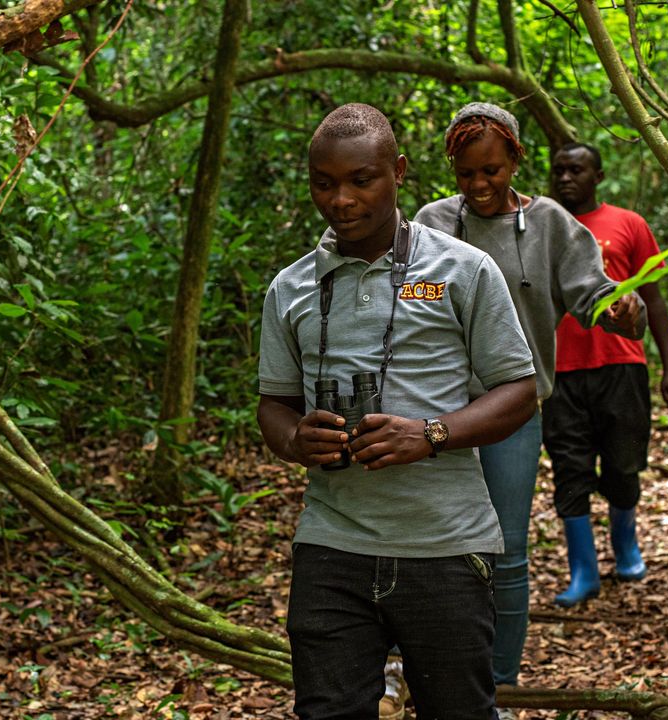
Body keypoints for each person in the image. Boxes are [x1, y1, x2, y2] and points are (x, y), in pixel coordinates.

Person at [258, 102, 537, 719]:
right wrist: (295, 438)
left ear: (399, 172)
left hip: (445, 545)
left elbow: (519, 390)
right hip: (331, 545)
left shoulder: (462, 270)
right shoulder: (291, 287)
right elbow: (273, 405)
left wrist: (431, 434)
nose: (342, 200)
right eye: (324, 184)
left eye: (362, 179)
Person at [410, 103, 646, 695]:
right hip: (431, 410)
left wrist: (624, 308)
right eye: (467, 174)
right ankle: (415, 672)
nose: (480, 185)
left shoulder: (549, 223)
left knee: (507, 550)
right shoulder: (432, 222)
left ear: (515, 159)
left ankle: (500, 686)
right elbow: (409, 295)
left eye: (491, 170)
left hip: (512, 412)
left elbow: (593, 293)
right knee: (424, 546)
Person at [543, 142, 668, 606]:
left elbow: (655, 299)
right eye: (559, 170)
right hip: (559, 372)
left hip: (621, 366)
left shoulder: (629, 224)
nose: (566, 178)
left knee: (623, 467)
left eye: (576, 169)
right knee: (570, 471)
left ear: (598, 175)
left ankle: (625, 544)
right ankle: (583, 571)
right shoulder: (541, 226)